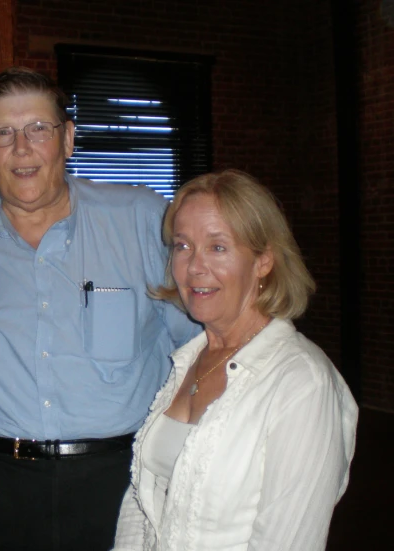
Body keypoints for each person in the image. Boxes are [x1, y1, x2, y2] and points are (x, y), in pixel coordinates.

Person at [0, 67, 198, 551]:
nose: (21, 148)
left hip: (116, 482)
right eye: (3, 133)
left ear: (67, 139)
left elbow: (192, 347)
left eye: (38, 129)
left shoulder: (141, 219)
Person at [112, 169, 358, 551]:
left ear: (263, 260)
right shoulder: (189, 360)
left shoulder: (301, 381)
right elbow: (142, 503)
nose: (194, 267)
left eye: (218, 247)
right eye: (182, 246)